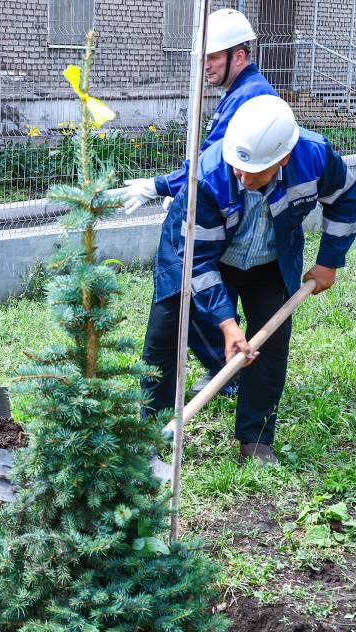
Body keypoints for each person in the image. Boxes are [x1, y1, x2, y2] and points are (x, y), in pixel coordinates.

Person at [141, 95, 356, 465]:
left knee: (272, 341)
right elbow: (200, 262)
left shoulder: (315, 156)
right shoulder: (210, 175)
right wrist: (227, 323)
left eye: (252, 171)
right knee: (166, 331)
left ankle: (255, 439)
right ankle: (149, 434)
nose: (240, 176)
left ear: (282, 160)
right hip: (199, 253)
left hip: (270, 257)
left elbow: (347, 199)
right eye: (237, 167)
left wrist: (329, 262)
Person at [123, 8, 276, 396]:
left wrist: (162, 186)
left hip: (217, 217)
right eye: (204, 57)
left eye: (213, 57)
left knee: (176, 297)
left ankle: (166, 400)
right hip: (214, 211)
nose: (205, 66)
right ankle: (225, 368)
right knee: (194, 301)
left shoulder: (249, 100)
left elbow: (213, 163)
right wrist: (175, 190)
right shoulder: (239, 93)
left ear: (238, 56)